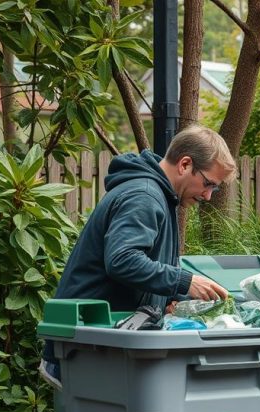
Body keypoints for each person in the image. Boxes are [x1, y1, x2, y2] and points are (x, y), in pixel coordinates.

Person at [39, 125, 236, 387]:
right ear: (185, 164)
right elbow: (123, 260)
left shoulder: (159, 196)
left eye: (216, 189)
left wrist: (174, 297)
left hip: (103, 343)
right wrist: (184, 282)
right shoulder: (144, 196)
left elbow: (147, 266)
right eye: (209, 183)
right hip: (86, 345)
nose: (209, 195)